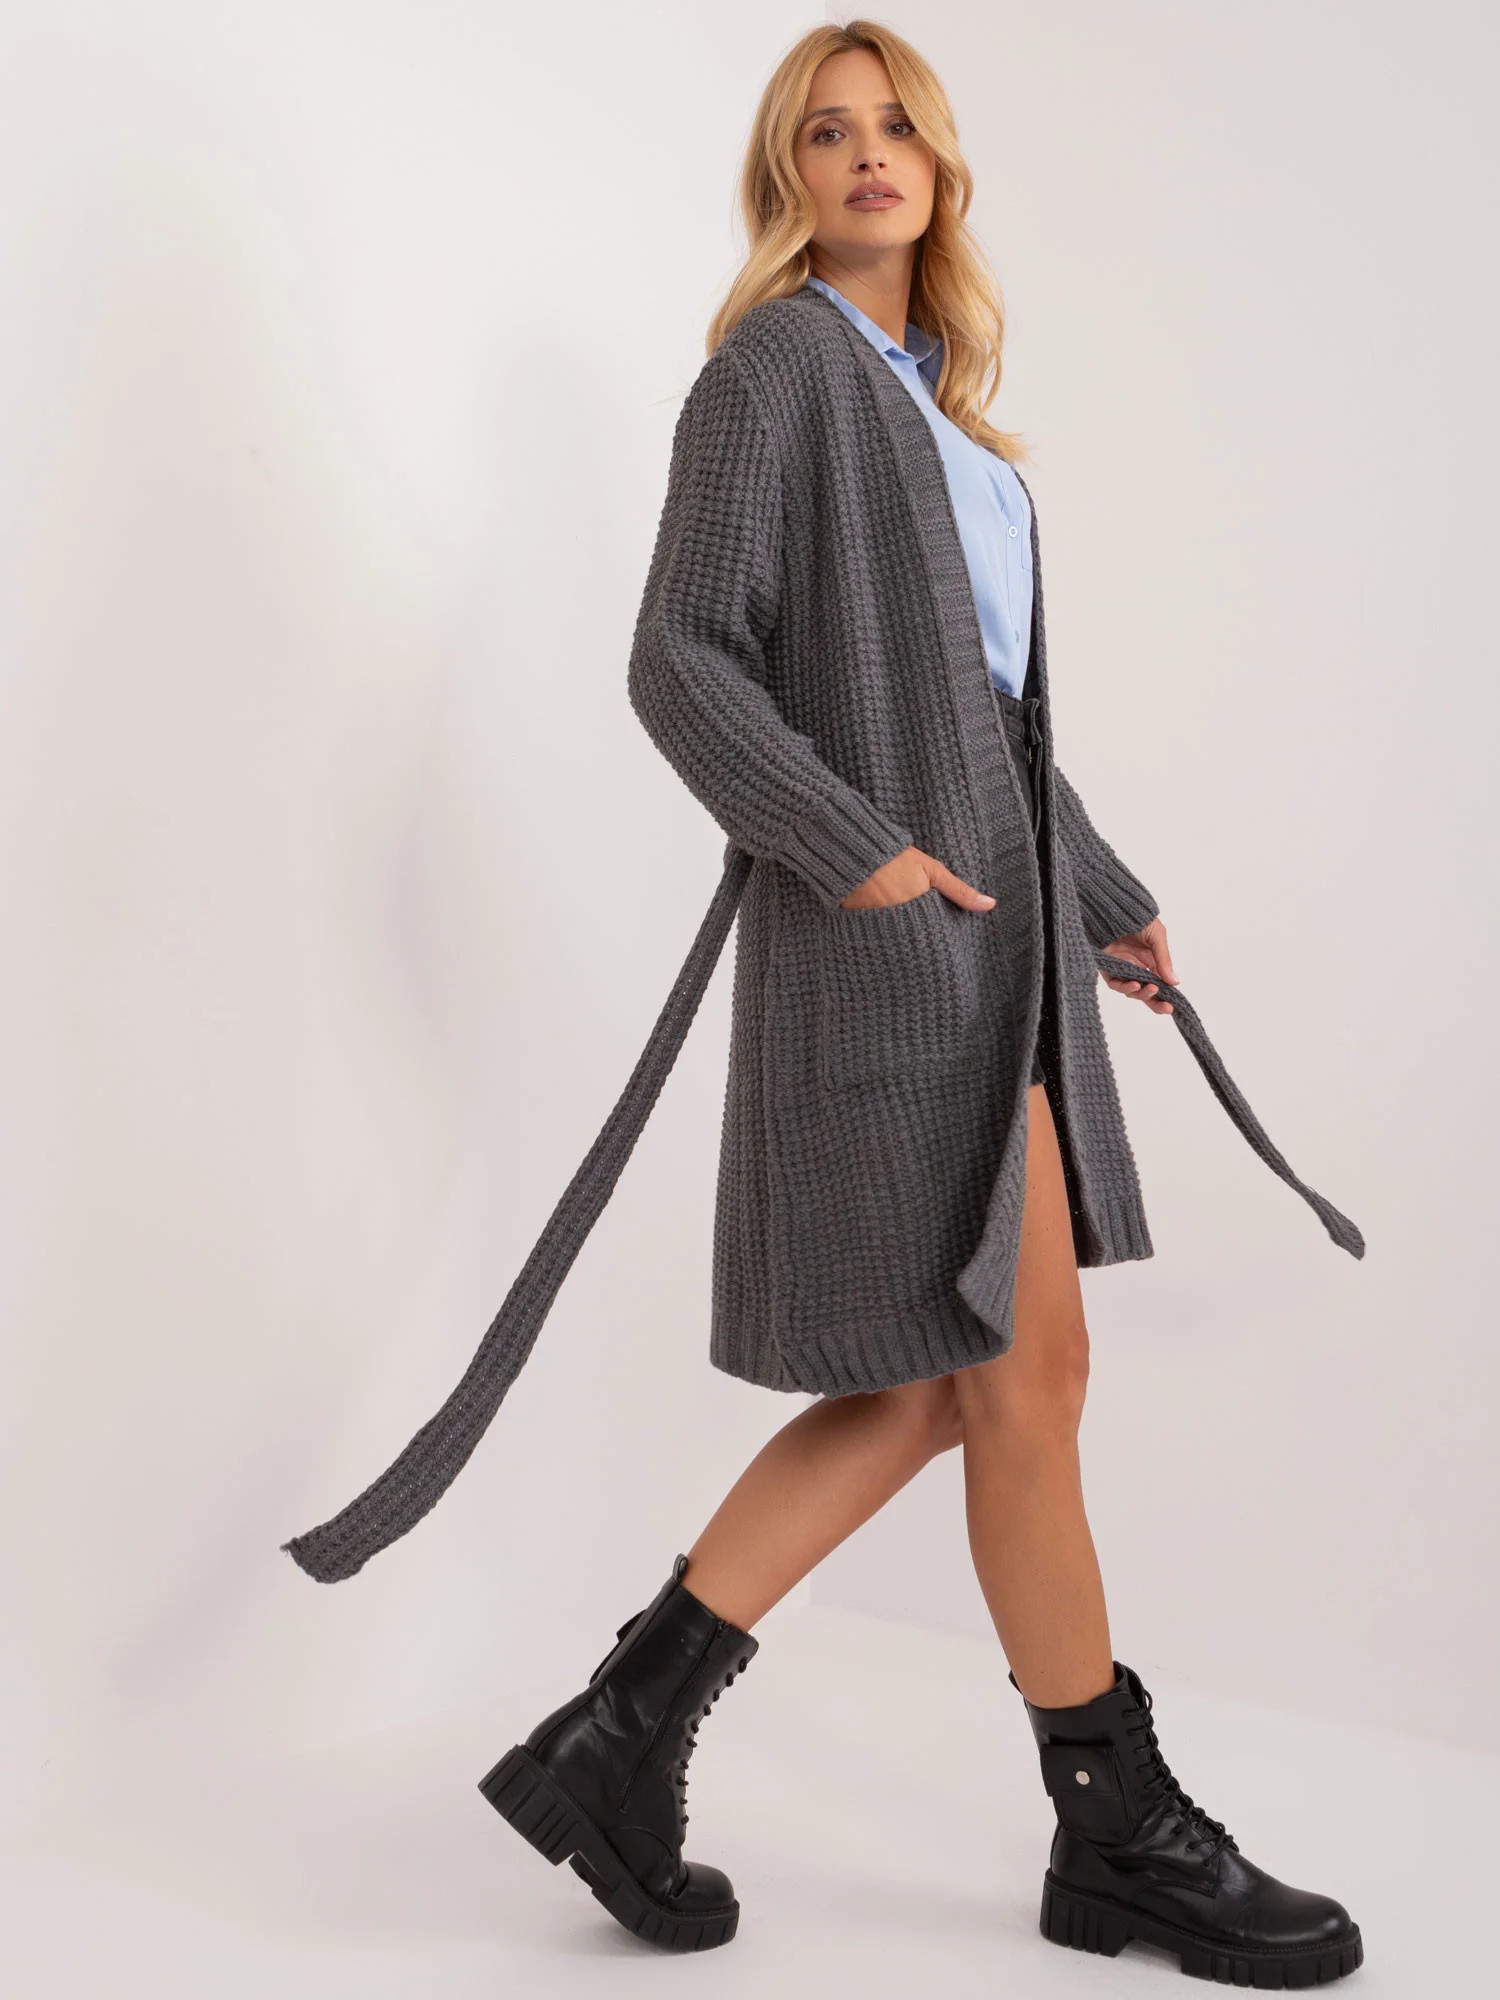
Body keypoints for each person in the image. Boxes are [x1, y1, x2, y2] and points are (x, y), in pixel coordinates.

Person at [283, 17, 1365, 1985]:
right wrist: (851, 848)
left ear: (942, 170)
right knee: (1020, 1376)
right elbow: (681, 656)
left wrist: (1105, 897)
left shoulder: (941, 413)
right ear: (786, 176)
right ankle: (1117, 1828)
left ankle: (623, 1734)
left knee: (958, 1380)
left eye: (897, 128)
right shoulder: (775, 370)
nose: (868, 155)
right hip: (891, 955)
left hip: (999, 946)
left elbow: (994, 728)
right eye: (826, 131)